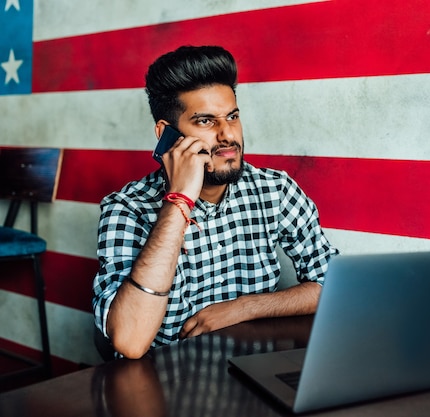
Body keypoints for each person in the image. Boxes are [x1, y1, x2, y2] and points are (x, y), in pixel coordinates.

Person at [92, 45, 338, 359]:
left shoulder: (274, 190)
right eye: (206, 122)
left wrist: (244, 308)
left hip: (249, 372)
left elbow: (332, 284)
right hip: (166, 383)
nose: (227, 135)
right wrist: (179, 200)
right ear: (167, 135)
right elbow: (130, 341)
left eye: (232, 117)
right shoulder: (128, 208)